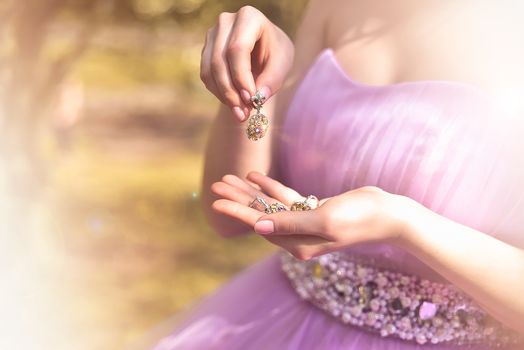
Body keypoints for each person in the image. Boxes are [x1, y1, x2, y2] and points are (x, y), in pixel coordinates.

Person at [144, 1, 524, 349]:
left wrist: (403, 223)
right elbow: (230, 213)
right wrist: (254, 79)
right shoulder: (335, 6)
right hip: (278, 322)